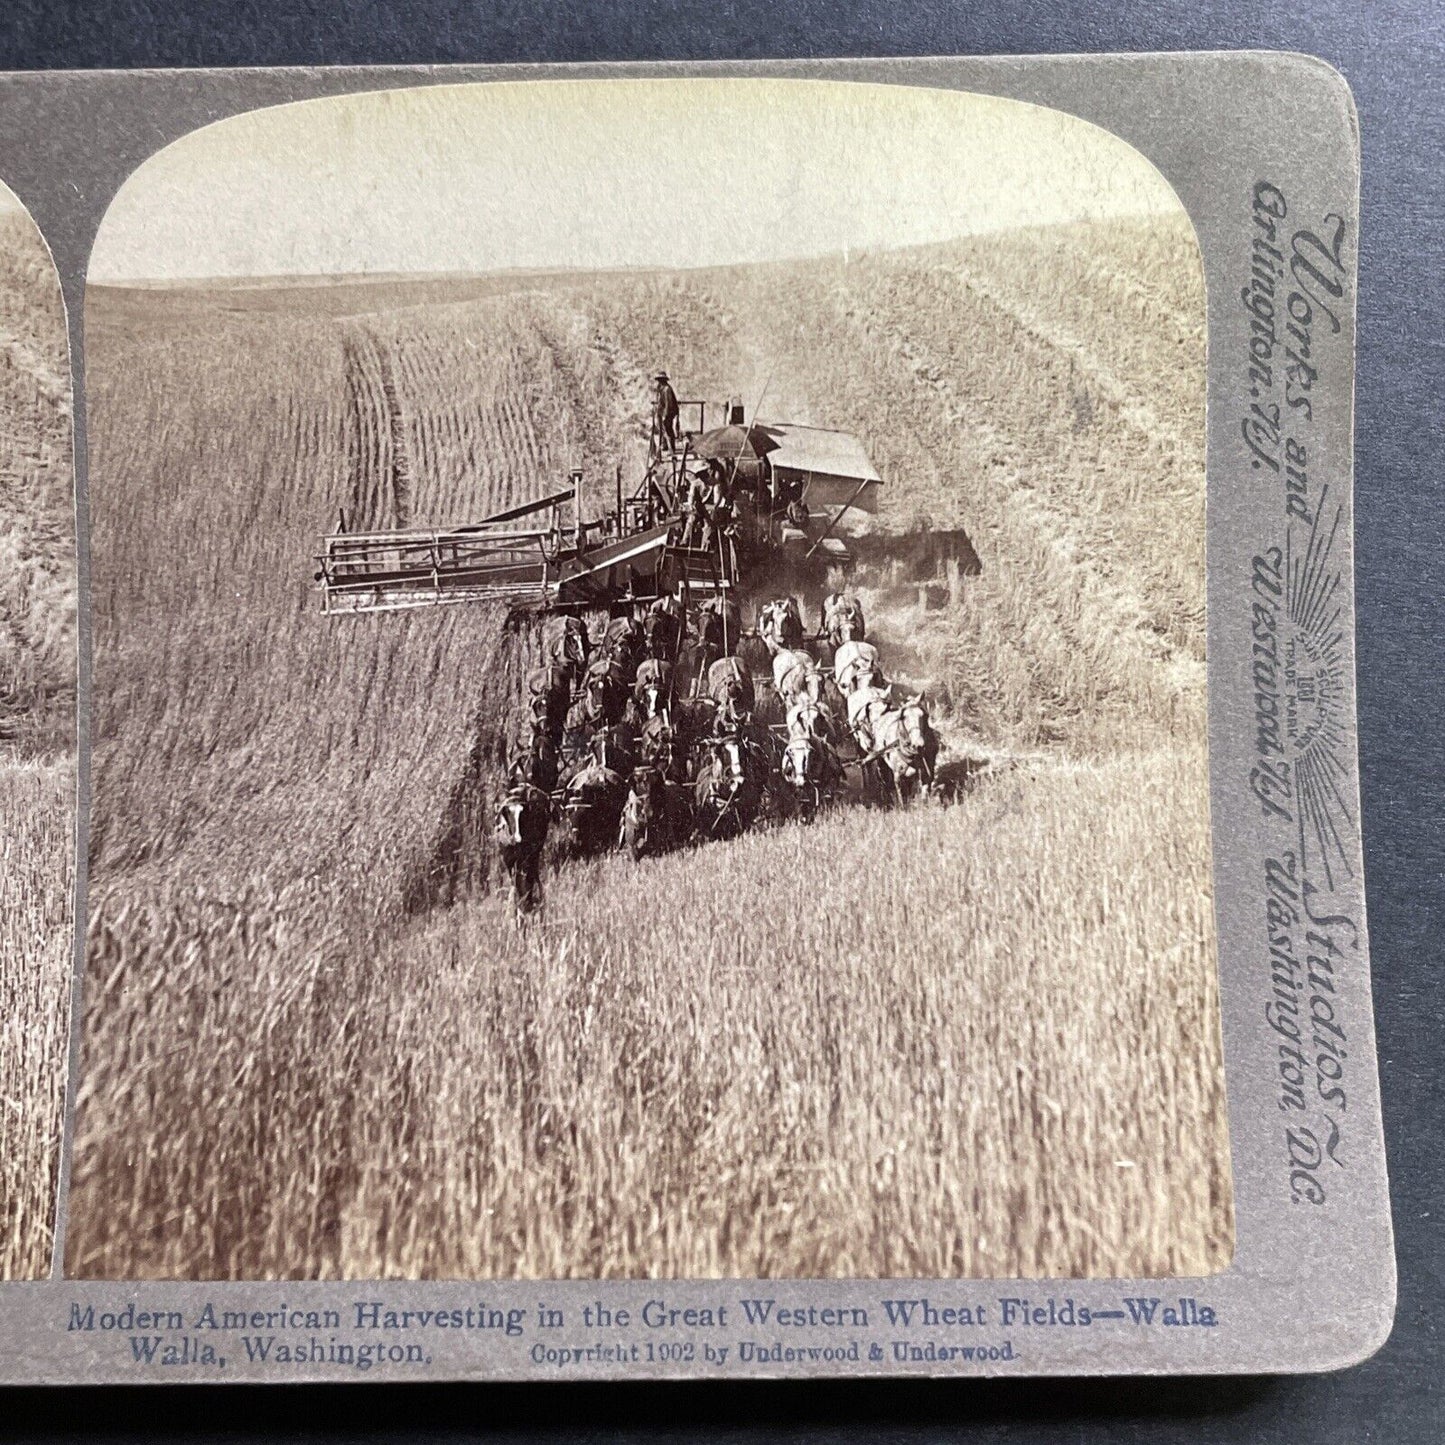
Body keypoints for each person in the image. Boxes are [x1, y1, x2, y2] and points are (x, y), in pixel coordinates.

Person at [651, 370, 680, 453]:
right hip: (663, 412)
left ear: (664, 380)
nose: (659, 381)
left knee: (668, 430)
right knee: (663, 429)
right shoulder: (661, 388)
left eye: (660, 380)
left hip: (668, 413)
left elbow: (669, 404)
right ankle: (665, 446)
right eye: (659, 380)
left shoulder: (667, 389)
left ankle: (672, 449)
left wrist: (665, 415)